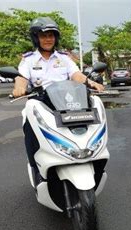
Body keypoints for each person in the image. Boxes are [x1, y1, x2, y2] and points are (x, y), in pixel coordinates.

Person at [13, 17, 104, 182]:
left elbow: (76, 75)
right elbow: (22, 77)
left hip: (65, 102)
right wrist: (19, 87)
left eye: (51, 35)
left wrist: (90, 82)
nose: (48, 39)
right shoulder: (28, 59)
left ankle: (87, 155)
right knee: (29, 129)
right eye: (43, 35)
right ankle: (37, 169)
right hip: (40, 103)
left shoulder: (64, 58)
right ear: (36, 38)